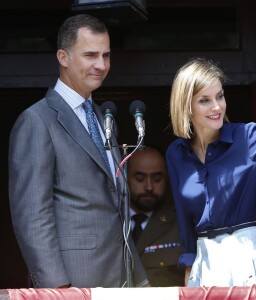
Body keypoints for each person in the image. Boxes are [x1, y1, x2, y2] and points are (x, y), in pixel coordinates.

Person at [8, 14, 148, 288]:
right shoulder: (37, 120)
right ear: (63, 57)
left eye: (106, 56)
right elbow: (32, 216)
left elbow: (115, 207)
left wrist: (139, 279)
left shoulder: (102, 117)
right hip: (72, 283)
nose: (101, 65)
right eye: (90, 55)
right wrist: (56, 288)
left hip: (121, 280)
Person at [165, 57, 256, 287]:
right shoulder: (176, 153)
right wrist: (189, 266)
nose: (217, 107)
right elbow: (183, 219)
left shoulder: (247, 138)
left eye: (220, 96)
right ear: (186, 105)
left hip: (245, 257)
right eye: (205, 100)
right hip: (204, 263)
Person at [127, 147, 184, 287]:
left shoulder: (181, 224)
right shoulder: (113, 221)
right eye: (140, 178)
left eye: (157, 178)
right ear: (125, 176)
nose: (149, 187)